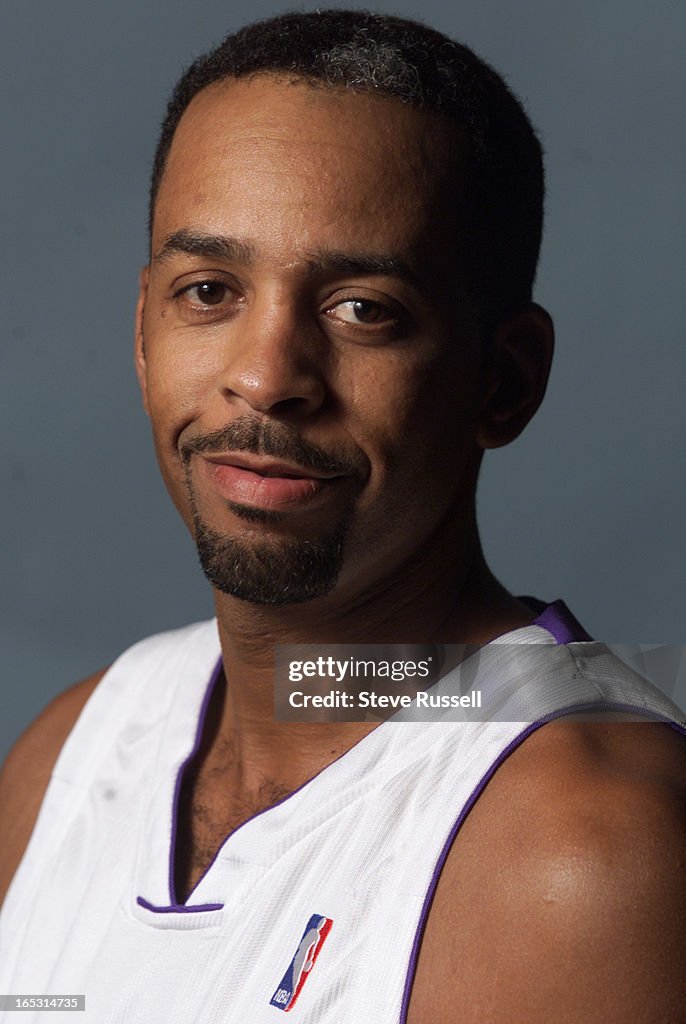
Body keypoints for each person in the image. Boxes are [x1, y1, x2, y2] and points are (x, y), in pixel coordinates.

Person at [0, 10, 684, 1022]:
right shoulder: (76, 748)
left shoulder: (582, 848)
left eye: (362, 308)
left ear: (503, 381)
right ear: (142, 333)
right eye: (209, 290)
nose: (267, 377)